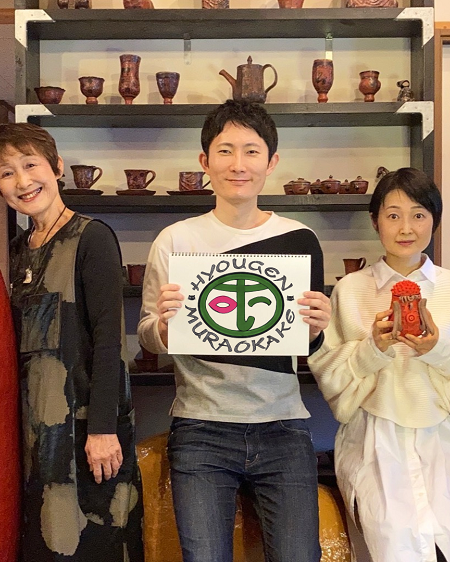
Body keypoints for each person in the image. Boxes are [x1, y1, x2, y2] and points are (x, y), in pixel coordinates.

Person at [136, 99, 332, 562]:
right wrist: (164, 326)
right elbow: (146, 333)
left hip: (283, 426)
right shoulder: (175, 240)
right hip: (201, 427)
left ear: (272, 162)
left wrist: (317, 329)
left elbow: (304, 343)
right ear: (205, 162)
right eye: (225, 151)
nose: (238, 164)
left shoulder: (300, 239)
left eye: (251, 151)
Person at [308, 168, 450, 562]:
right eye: (393, 215)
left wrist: (436, 349)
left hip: (442, 441)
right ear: (375, 221)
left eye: (418, 215)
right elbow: (329, 374)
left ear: (434, 221)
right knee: (391, 542)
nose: (406, 228)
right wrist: (374, 348)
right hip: (375, 442)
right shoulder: (351, 289)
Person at [0, 123, 144, 562]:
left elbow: (110, 342)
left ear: (56, 168)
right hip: (33, 434)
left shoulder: (92, 237)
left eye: (30, 165)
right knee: (42, 542)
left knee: (95, 542)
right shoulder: (18, 250)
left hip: (85, 429)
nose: (22, 181)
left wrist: (103, 429)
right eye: (7, 173)